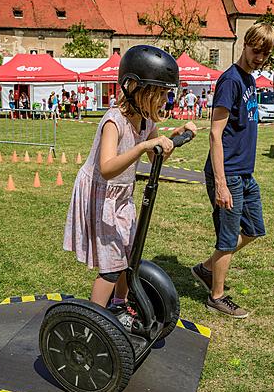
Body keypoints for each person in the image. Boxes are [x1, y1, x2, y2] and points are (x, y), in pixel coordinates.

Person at [63, 45, 196, 328]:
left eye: (165, 93)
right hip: (102, 196)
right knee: (111, 268)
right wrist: (146, 144)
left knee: (128, 256)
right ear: (134, 87)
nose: (163, 100)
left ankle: (120, 305)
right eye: (158, 93)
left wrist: (174, 136)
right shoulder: (114, 121)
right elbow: (107, 167)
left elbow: (154, 153)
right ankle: (93, 322)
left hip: (122, 197)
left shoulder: (145, 119)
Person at [191, 22, 274, 318]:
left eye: (266, 54)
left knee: (254, 229)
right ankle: (216, 296)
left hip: (245, 173)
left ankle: (206, 268)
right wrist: (221, 184)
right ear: (246, 44)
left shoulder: (251, 81)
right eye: (257, 51)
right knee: (228, 238)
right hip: (227, 173)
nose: (260, 58)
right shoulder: (230, 81)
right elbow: (215, 134)